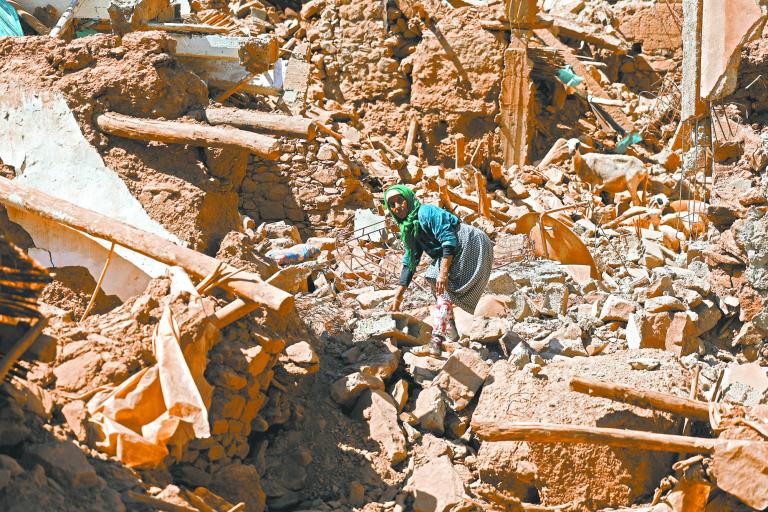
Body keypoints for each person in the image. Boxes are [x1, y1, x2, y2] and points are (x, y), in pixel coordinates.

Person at [385, 185, 494, 356]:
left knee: (438, 281)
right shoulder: (408, 228)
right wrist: (398, 296)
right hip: (452, 249)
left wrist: (443, 273)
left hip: (468, 242)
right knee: (434, 281)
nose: (397, 207)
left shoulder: (425, 212)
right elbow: (410, 261)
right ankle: (451, 333)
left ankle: (437, 340)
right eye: (392, 204)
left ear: (408, 199)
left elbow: (448, 239)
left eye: (400, 200)